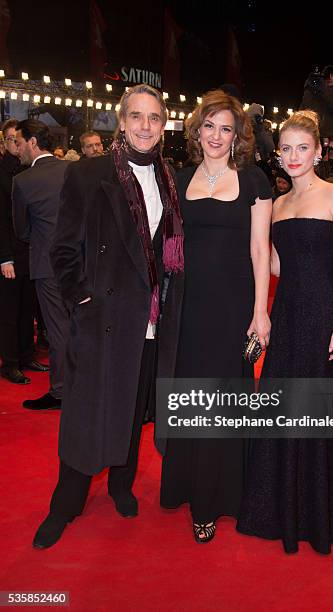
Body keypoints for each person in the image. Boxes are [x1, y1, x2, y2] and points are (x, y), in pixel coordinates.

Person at [32, 84, 184, 549]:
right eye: (135, 116)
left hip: (150, 317)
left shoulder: (170, 178)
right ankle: (66, 501)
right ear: (121, 122)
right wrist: (82, 301)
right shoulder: (90, 173)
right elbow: (63, 249)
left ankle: (121, 485)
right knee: (86, 408)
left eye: (153, 118)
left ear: (163, 125)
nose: (144, 126)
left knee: (134, 406)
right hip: (103, 318)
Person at [237, 110, 333, 554]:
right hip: (288, 315)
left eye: (304, 148)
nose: (295, 156)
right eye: (287, 148)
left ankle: (330, 515)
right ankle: (283, 511)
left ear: (319, 151)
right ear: (277, 155)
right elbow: (280, 264)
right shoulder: (278, 205)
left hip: (325, 315)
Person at [160, 89, 272, 543]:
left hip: (232, 307)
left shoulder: (254, 181)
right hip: (187, 305)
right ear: (197, 129)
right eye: (209, 126)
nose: (216, 135)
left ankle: (212, 500)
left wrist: (260, 312)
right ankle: (188, 484)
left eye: (226, 128)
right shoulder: (178, 177)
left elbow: (261, 250)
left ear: (237, 135)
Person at [12, 120, 70, 408]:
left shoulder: (22, 181)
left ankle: (61, 392)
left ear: (33, 142)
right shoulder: (72, 170)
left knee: (58, 330)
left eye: (19, 143)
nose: (16, 150)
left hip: (47, 266)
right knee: (78, 328)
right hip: (80, 264)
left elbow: (21, 231)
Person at [0, 119, 44, 384]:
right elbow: (1, 221)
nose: (15, 144)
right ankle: (10, 362)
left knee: (28, 306)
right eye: (9, 140)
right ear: (3, 143)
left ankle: (27, 354)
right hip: (9, 254)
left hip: (30, 251)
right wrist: (4, 257)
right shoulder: (2, 173)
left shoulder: (28, 168)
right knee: (9, 310)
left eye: (18, 139)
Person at [300, 65, 333, 139]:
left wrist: (323, 90)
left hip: (332, 137)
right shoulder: (313, 95)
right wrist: (308, 89)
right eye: (327, 75)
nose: (330, 78)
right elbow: (303, 112)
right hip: (313, 135)